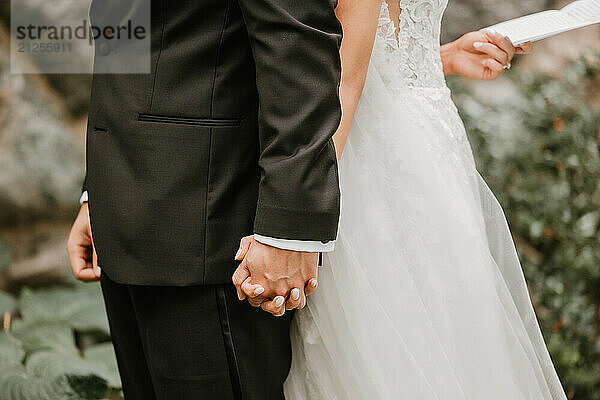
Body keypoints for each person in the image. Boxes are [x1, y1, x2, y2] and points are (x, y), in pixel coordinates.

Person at [235, 0, 568, 398]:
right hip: (405, 160)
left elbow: (351, 72)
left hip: (411, 163)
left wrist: (439, 56)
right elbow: (347, 71)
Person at [66, 0, 344, 398]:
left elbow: (296, 46)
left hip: (210, 229)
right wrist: (99, 190)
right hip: (124, 212)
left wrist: (288, 230)